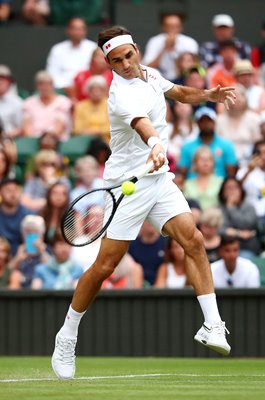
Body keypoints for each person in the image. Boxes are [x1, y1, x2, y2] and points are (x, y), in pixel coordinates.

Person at [51, 25, 236, 379]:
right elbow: (142, 124)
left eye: (128, 56)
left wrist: (208, 95)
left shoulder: (149, 72)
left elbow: (178, 92)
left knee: (193, 240)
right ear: (108, 64)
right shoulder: (121, 95)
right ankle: (67, 335)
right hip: (126, 186)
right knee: (105, 268)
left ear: (137, 50)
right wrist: (155, 146)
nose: (124, 64)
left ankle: (212, 325)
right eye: (115, 61)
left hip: (158, 179)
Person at [178, 106, 238, 179]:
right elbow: (182, 173)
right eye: (202, 121)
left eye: (209, 121)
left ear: (214, 123)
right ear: (197, 124)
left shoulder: (227, 145)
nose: (206, 124)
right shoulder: (187, 146)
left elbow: (231, 173)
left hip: (220, 186)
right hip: (192, 186)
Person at [46, 17, 97, 95]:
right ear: (68, 30)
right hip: (62, 90)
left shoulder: (93, 48)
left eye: (81, 29)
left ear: (85, 31)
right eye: (75, 29)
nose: (78, 32)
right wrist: (65, 87)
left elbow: (97, 71)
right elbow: (51, 73)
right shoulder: (57, 49)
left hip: (88, 89)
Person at [142, 12, 198, 81]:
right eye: (169, 27)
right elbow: (146, 68)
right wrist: (164, 48)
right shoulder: (154, 41)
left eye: (176, 26)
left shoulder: (190, 42)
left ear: (181, 28)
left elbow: (195, 69)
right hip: (160, 81)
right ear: (163, 27)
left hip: (184, 81)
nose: (173, 30)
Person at [216, 84, 261, 166]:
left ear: (246, 98)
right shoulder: (219, 120)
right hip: (223, 163)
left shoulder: (254, 119)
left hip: (249, 163)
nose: (237, 99)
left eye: (241, 95)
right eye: (233, 95)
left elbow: (258, 144)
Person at [22, 71, 72, 141]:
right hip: (33, 140)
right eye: (41, 84)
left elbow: (59, 128)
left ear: (53, 85)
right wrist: (32, 141)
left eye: (48, 84)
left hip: (56, 141)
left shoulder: (63, 101)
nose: (44, 87)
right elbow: (27, 126)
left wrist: (47, 138)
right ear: (36, 86)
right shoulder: (29, 102)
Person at [218, 177, 260, 259]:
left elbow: (248, 224)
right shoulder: (219, 208)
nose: (232, 191)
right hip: (223, 250)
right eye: (228, 188)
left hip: (246, 247)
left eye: (235, 187)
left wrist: (231, 208)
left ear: (241, 190)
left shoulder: (249, 207)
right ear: (222, 192)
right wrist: (239, 233)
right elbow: (219, 229)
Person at [9, 215, 50, 288]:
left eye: (35, 233)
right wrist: (18, 258)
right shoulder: (19, 249)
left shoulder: (47, 249)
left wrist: (42, 253)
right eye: (28, 232)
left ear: (42, 235)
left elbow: (52, 269)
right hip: (21, 287)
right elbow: (7, 271)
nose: (31, 236)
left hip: (41, 287)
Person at [128, 220, 168, 287]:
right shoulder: (132, 245)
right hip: (136, 287)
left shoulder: (166, 243)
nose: (150, 223)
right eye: (147, 220)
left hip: (161, 287)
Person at [183, 146, 223, 210]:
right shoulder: (187, 184)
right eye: (202, 159)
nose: (206, 162)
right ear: (195, 163)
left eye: (209, 159)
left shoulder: (221, 182)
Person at [0, 178, 33, 256]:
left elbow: (31, 245)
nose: (13, 194)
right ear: (0, 193)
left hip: (22, 257)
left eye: (15, 190)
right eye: (8, 190)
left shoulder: (29, 215)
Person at [73, 75, 110, 143]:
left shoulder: (110, 105)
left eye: (99, 90)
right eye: (93, 90)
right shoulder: (80, 106)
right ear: (88, 92)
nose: (96, 93)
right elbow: (77, 129)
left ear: (104, 91)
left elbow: (111, 128)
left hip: (106, 141)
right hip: (84, 141)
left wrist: (94, 132)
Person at [0, 65, 23, 139]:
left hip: (8, 141)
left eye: (2, 80)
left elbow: (21, 128)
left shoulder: (17, 102)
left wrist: (9, 134)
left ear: (9, 83)